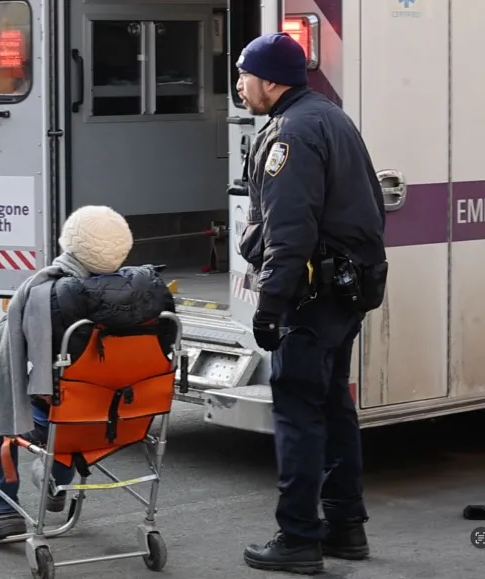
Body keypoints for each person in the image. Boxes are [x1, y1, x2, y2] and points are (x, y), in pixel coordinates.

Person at [233, 33, 388, 574]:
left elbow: (290, 231)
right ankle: (346, 526)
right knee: (333, 406)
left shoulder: (291, 134)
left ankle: (298, 537)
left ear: (271, 81)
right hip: (344, 293)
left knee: (298, 412)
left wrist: (270, 306)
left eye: (244, 74)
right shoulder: (331, 117)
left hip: (312, 296)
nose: (239, 84)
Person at [0, 205, 177, 540]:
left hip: (62, 417)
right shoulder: (151, 296)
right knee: (74, 397)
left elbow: (0, 350)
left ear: (68, 242)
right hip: (129, 415)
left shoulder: (44, 295)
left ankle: (5, 510)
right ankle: (57, 475)